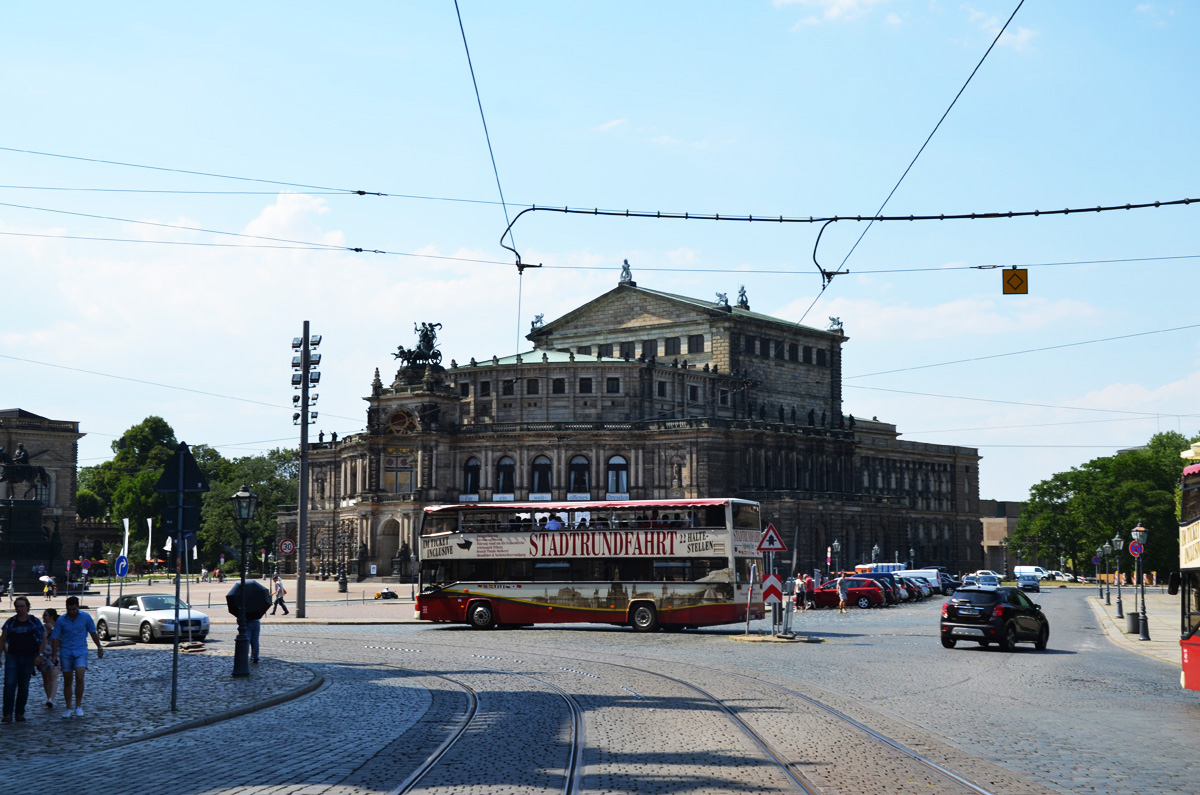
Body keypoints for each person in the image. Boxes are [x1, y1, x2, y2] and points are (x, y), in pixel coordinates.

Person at [49, 595, 104, 718]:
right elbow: (55, 638)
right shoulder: (62, 620)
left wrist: (99, 647)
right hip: (66, 652)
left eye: (73, 609)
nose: (71, 612)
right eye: (69, 609)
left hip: (81, 651)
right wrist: (54, 655)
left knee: (80, 676)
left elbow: (93, 632)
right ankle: (68, 707)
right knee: (68, 680)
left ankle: (78, 705)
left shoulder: (85, 617)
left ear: (77, 607)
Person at [1, 596, 45, 723]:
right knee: (9, 685)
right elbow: (2, 639)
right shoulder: (11, 622)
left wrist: (39, 655)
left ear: (27, 607)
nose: (19, 609)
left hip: (28, 658)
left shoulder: (34, 621)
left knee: (23, 687)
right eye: (17, 606)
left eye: (22, 606)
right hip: (12, 657)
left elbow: (43, 639)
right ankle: (7, 714)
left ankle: (20, 713)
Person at [38, 609, 59, 707]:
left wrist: (53, 629)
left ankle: (51, 699)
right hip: (43, 655)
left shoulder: (58, 627)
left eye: (45, 615)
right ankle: (48, 698)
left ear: (52, 617)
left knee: (53, 676)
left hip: (55, 654)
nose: (43, 617)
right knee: (45, 678)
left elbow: (62, 639)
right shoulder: (41, 628)